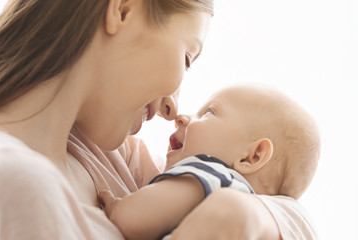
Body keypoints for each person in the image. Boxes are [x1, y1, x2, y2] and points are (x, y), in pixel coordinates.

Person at [0, 0, 317, 239]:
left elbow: (291, 209)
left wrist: (247, 212)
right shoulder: (18, 181)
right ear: (123, 9)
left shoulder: (113, 159)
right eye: (187, 57)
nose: (173, 108)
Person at [99, 83, 321, 240]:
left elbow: (134, 220)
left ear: (251, 157)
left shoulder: (213, 175)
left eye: (208, 113)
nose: (181, 118)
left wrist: (118, 207)